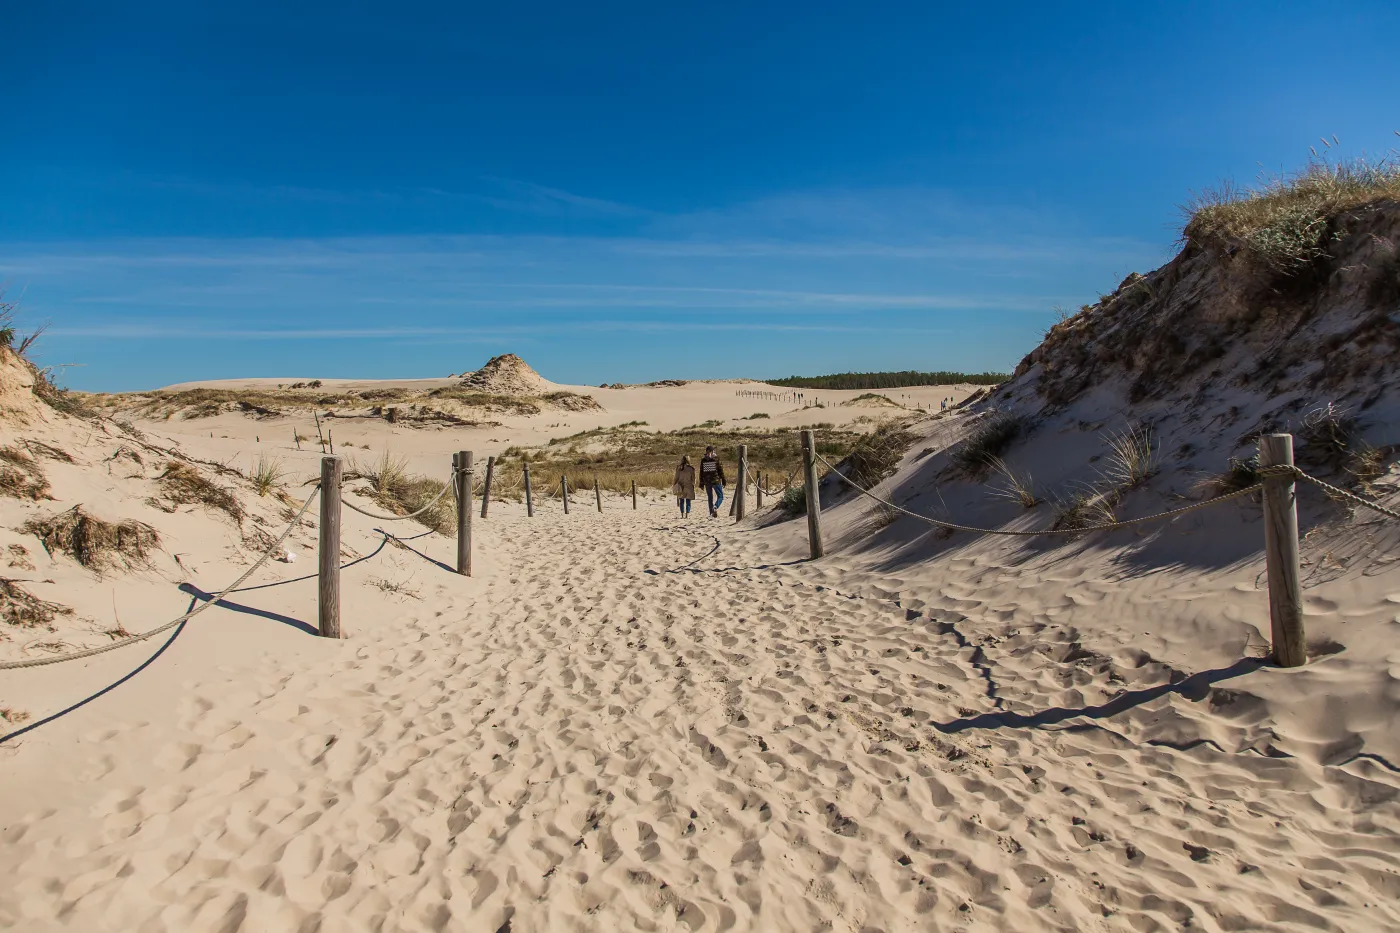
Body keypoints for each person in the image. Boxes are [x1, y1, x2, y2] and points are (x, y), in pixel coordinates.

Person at [698, 445, 726, 518]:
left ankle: (711, 513)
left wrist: (701, 483)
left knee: (710, 497)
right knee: (720, 496)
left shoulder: (703, 460)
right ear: (713, 451)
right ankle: (715, 506)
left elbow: (701, 472)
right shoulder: (716, 459)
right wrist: (723, 480)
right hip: (716, 480)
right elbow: (720, 470)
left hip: (707, 481)